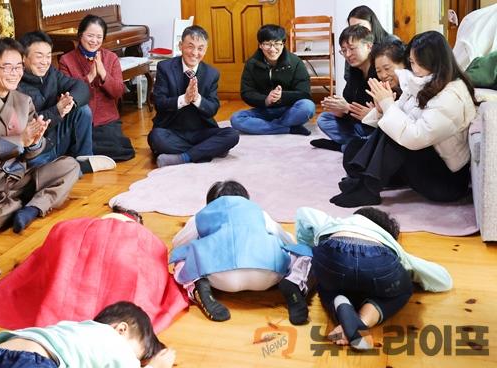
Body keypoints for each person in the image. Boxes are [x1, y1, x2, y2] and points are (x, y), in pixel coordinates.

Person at [0, 206, 188, 333]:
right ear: (137, 222)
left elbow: (38, 263)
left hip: (56, 313)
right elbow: (156, 279)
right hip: (116, 321)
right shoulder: (147, 239)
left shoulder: (66, 227)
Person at [330, 31, 477, 208]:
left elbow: (413, 137)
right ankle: (363, 179)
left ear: (431, 61)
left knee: (397, 136)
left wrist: (387, 105)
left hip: (446, 182)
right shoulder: (424, 83)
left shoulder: (450, 96)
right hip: (428, 160)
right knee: (356, 147)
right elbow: (397, 117)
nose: (411, 68)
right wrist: (381, 108)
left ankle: (368, 188)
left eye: (414, 63)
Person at [0, 37, 79, 233]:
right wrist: (21, 140)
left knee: (70, 166)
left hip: (18, 177)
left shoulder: (23, 100)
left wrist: (35, 143)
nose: (15, 74)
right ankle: (36, 202)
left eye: (19, 67)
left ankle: (31, 209)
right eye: (7, 67)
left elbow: (31, 153)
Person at [296, 206, 452, 350]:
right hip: (378, 260)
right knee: (403, 289)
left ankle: (340, 300)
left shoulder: (335, 223)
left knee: (325, 285)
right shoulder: (388, 243)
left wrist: (308, 245)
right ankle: (361, 322)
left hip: (332, 254)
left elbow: (303, 212)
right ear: (388, 233)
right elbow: (443, 281)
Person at [170, 180, 314, 325]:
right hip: (267, 276)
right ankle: (293, 283)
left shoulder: (200, 216)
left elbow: (178, 243)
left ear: (210, 202)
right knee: (302, 252)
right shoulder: (260, 213)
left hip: (219, 279)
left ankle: (197, 286)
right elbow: (288, 241)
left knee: (180, 256)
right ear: (245, 199)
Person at [0, 301, 176, 368]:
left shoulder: (75, 329)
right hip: (32, 363)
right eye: (136, 355)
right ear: (121, 329)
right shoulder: (114, 342)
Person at [17, 31, 113, 174]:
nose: (45, 61)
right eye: (39, 56)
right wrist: (57, 110)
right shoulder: (15, 84)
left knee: (82, 110)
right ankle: (71, 169)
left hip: (55, 141)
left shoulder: (51, 73)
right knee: (46, 176)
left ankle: (83, 158)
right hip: (35, 153)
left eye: (48, 56)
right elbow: (29, 125)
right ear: (23, 58)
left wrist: (70, 102)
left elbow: (80, 86)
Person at [147, 25, 240, 168]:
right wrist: (184, 99)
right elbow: (159, 103)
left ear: (205, 50)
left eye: (200, 48)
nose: (195, 53)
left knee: (232, 134)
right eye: (190, 46)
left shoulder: (211, 73)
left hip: (201, 132)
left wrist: (196, 98)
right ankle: (208, 150)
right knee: (156, 138)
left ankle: (183, 157)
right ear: (180, 46)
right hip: (172, 131)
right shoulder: (165, 68)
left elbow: (212, 109)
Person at [59, 14, 136, 162]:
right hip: (80, 121)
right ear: (80, 35)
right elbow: (67, 95)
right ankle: (84, 154)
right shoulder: (66, 60)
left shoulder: (110, 57)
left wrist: (103, 74)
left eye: (99, 37)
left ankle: (82, 154)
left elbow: (118, 92)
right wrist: (89, 76)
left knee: (123, 150)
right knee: (81, 140)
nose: (94, 41)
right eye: (90, 36)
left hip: (106, 120)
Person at [229, 24, 315, 135]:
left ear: (283, 44)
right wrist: (266, 100)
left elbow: (305, 93)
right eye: (267, 44)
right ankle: (288, 128)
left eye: (277, 43)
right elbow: (246, 93)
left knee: (308, 107)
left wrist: (281, 96)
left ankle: (268, 127)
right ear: (260, 45)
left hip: (289, 109)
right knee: (236, 119)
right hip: (265, 110)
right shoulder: (251, 64)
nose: (272, 49)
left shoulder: (296, 62)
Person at [311, 25, 377, 152]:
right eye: (343, 50)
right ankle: (357, 145)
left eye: (352, 48)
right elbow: (349, 101)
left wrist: (347, 108)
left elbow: (375, 114)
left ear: (369, 46)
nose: (348, 54)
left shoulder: (378, 71)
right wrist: (339, 110)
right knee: (324, 118)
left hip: (375, 126)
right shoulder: (354, 70)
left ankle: (347, 146)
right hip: (359, 124)